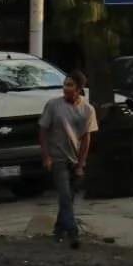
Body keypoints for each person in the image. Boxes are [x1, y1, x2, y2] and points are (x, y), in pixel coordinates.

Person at [39, 69, 98, 248]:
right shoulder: (53, 105)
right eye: (65, 84)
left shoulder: (87, 109)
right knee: (64, 195)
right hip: (58, 158)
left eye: (70, 85)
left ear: (79, 89)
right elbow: (43, 131)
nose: (66, 88)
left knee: (69, 198)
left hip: (75, 158)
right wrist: (46, 156)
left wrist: (81, 164)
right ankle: (73, 232)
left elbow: (87, 138)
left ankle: (59, 229)